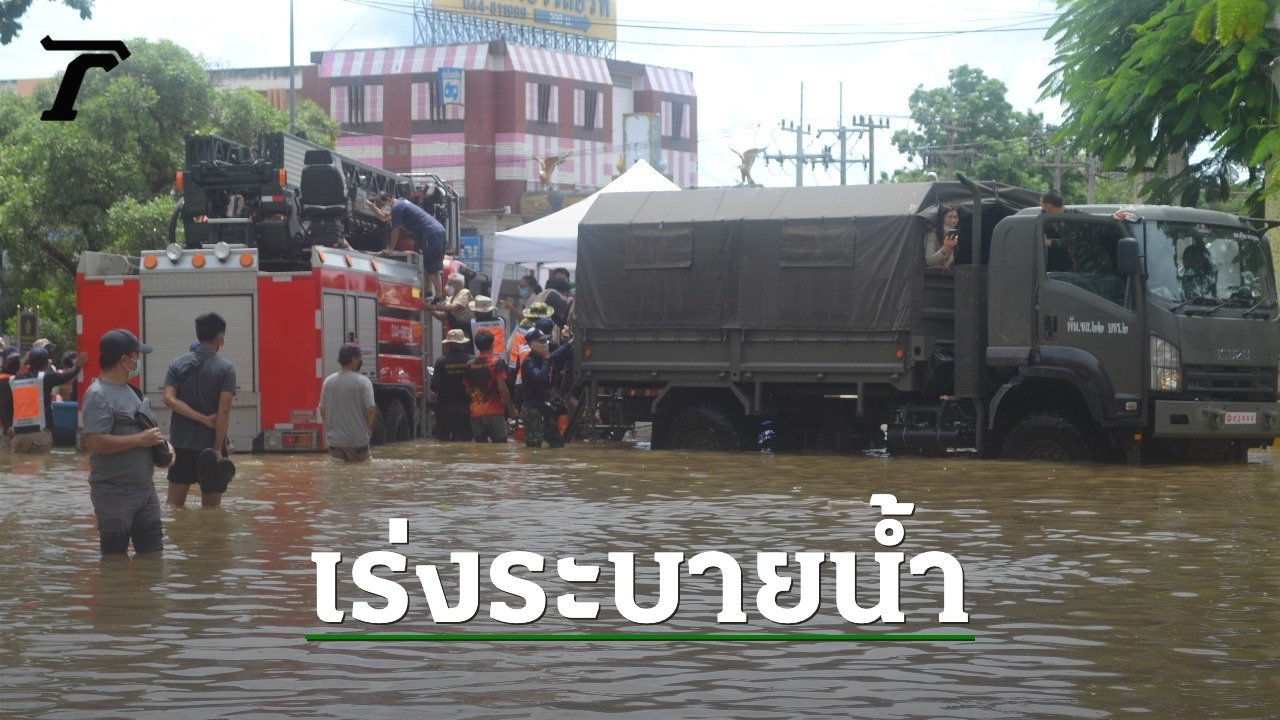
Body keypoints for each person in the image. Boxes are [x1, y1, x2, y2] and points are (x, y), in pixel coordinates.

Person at [81, 329, 173, 556]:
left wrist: (165, 448)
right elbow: (94, 442)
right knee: (114, 560)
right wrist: (140, 440)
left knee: (153, 558)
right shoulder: (98, 394)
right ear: (124, 360)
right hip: (114, 492)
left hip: (146, 491)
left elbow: (146, 432)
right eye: (136, 356)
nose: (138, 361)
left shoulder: (132, 391)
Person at [163, 313, 237, 509]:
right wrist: (217, 448)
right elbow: (223, 411)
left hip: (181, 444)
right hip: (210, 446)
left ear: (199, 335)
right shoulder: (226, 368)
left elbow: (169, 399)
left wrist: (200, 418)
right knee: (211, 511)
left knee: (173, 506)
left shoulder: (176, 363)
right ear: (220, 337)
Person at [1, 345, 88, 454]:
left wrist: (8, 426)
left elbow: (3, 405)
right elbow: (66, 376)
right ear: (47, 363)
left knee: (19, 464)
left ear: (29, 362)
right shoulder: (45, 378)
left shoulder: (13, 380)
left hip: (18, 436)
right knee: (41, 464)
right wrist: (78, 366)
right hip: (39, 435)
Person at [369, 193, 447, 301]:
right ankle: (429, 292)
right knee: (427, 264)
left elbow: (395, 230)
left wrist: (390, 249)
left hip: (431, 232)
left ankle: (439, 297)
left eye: (381, 204)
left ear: (388, 199)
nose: (380, 207)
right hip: (436, 230)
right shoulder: (400, 204)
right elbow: (384, 217)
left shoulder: (397, 207)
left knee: (432, 266)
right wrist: (370, 205)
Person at [519, 327, 575, 448]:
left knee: (558, 444)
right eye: (541, 341)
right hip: (532, 409)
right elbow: (539, 377)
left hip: (543, 408)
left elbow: (557, 354)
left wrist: (570, 343)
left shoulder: (543, 358)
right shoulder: (529, 362)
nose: (545, 344)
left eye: (545, 341)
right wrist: (546, 359)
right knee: (534, 446)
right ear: (533, 345)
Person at [320, 343, 376, 461]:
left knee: (336, 471)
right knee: (363, 470)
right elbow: (370, 409)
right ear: (354, 359)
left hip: (335, 443)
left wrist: (331, 428)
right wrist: (367, 426)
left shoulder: (328, 382)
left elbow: (322, 410)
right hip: (357, 442)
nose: (361, 360)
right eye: (359, 357)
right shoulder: (363, 381)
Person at [464, 330, 518, 443]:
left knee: (480, 449)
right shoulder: (496, 362)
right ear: (492, 345)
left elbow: (468, 391)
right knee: (500, 447)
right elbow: (502, 388)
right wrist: (511, 409)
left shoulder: (469, 365)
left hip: (476, 413)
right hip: (494, 412)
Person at [431, 329, 474, 441]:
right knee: (463, 443)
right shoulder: (471, 360)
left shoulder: (440, 361)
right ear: (463, 344)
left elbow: (435, 386)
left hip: (444, 409)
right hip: (465, 408)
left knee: (442, 443)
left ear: (448, 344)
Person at [430, 272, 474, 339]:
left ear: (457, 285)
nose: (446, 287)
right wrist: (432, 312)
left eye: (449, 284)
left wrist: (433, 307)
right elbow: (444, 318)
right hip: (456, 334)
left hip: (467, 332)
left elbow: (454, 307)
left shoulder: (464, 293)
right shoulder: (450, 298)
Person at [925, 204, 960, 271]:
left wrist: (948, 262)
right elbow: (929, 261)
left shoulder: (953, 232)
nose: (953, 221)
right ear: (943, 218)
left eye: (955, 217)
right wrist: (945, 249)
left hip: (945, 273)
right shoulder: (932, 233)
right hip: (931, 273)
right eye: (950, 217)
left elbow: (952, 254)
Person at [0, 347, 21, 452]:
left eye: (16, 359)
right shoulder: (4, 380)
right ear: (4, 361)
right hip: (4, 428)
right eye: (11, 360)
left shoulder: (12, 378)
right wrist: (8, 426)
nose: (15, 362)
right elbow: (2, 405)